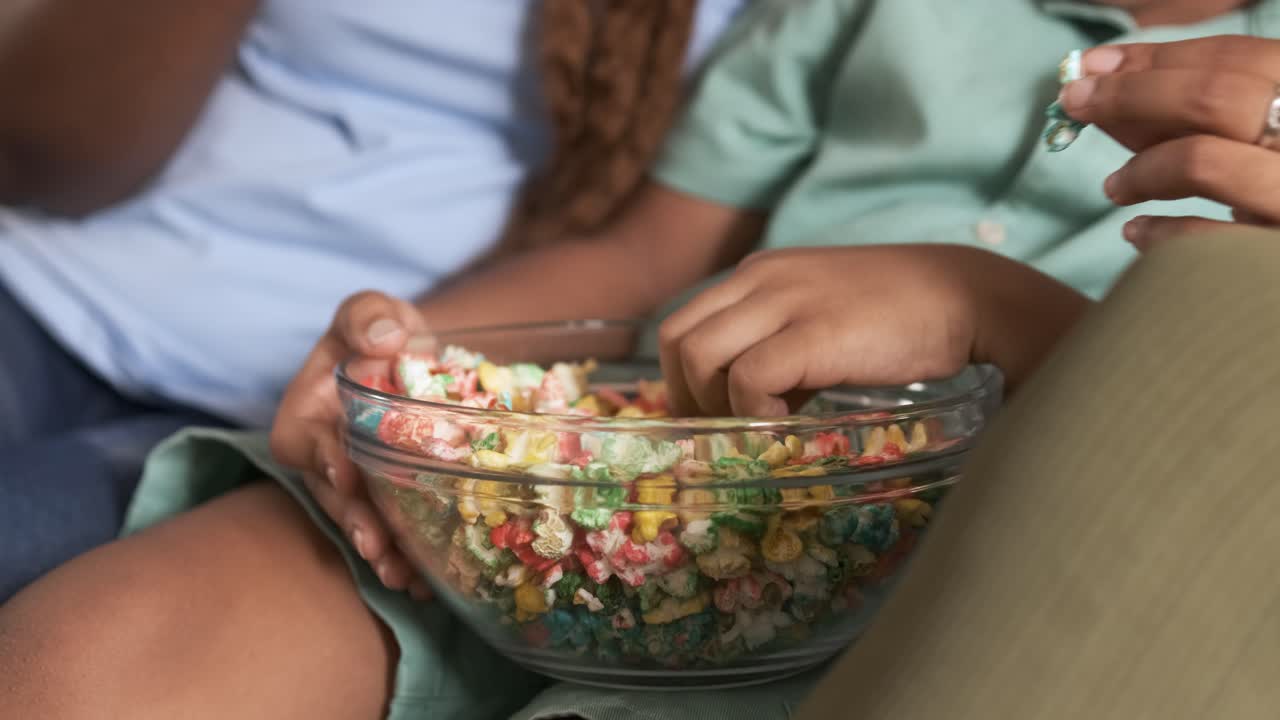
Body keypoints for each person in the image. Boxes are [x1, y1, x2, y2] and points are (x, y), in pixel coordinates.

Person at [4, 7, 1279, 720]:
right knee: (88, 663)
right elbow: (637, 259)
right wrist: (415, 360)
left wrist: (986, 311)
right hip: (601, 488)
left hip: (972, 581)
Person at [0, 0, 747, 600]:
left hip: (277, 406)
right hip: (45, 278)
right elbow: (54, 149)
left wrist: (404, 375)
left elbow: (649, 254)